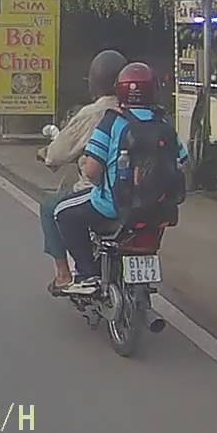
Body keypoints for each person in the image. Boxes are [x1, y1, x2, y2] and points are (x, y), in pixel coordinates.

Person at [54, 62, 189, 296]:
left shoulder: (112, 121)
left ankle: (87, 275)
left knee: (62, 213)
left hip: (114, 207)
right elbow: (182, 161)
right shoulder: (164, 123)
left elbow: (92, 171)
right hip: (161, 211)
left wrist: (101, 183)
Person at [36, 49, 127, 295]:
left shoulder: (95, 114)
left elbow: (57, 155)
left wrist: (46, 154)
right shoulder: (144, 112)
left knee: (52, 208)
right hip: (146, 195)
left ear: (94, 81)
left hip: (104, 193)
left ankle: (66, 275)